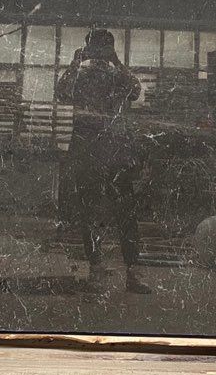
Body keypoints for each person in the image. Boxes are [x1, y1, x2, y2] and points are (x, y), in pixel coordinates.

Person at [56, 29, 150, 294]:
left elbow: (135, 92)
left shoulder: (116, 75)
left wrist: (116, 61)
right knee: (91, 211)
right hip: (90, 152)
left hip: (115, 152)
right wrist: (76, 62)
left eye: (103, 47)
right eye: (96, 47)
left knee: (125, 213)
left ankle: (131, 273)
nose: (98, 53)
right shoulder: (81, 74)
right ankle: (98, 270)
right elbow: (61, 93)